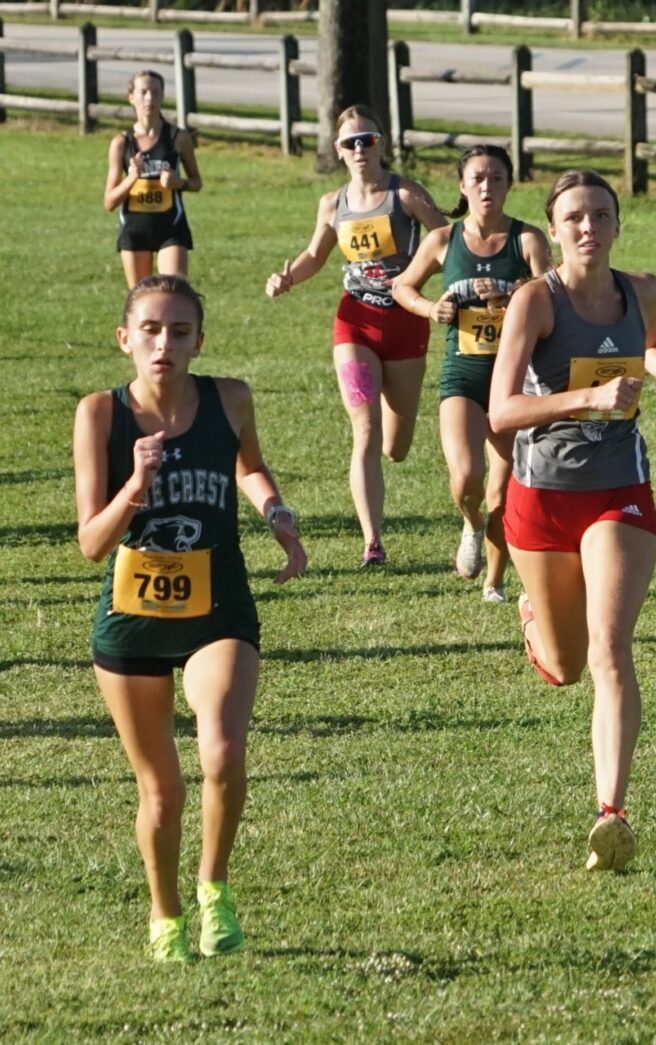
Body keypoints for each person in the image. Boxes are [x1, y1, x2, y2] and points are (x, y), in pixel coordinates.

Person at [73, 274, 306, 961]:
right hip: (132, 620)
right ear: (125, 340)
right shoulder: (100, 415)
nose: (164, 344)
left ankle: (214, 886)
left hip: (217, 607)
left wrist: (277, 512)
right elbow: (92, 542)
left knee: (224, 753)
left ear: (199, 340)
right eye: (150, 330)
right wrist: (135, 487)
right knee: (162, 789)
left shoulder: (229, 398)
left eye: (179, 331)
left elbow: (251, 468)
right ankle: (165, 910)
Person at [489, 169, 656, 871]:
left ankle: (610, 813)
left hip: (619, 488)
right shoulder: (535, 302)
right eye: (574, 217)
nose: (588, 227)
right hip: (541, 496)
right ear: (553, 230)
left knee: (610, 647)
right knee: (564, 663)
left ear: (617, 225)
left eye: (600, 215)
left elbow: (650, 340)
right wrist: (585, 400)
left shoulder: (639, 288)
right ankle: (534, 620)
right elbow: (501, 411)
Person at [265, 104, 446, 567]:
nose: (360, 149)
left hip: (406, 323)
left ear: (382, 144)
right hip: (355, 322)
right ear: (338, 150)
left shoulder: (404, 195)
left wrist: (450, 286)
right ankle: (373, 542)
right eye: (351, 142)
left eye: (368, 140)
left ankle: (393, 441)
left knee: (396, 444)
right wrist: (288, 279)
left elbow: (447, 239)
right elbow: (314, 255)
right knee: (365, 429)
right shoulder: (333, 203)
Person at [393, 145, 551, 603]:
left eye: (496, 178)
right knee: (466, 476)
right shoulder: (444, 241)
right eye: (478, 178)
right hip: (461, 374)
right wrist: (431, 307)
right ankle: (470, 523)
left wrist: (517, 294)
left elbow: (554, 296)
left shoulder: (528, 241)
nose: (487, 186)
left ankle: (495, 581)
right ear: (463, 186)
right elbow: (402, 286)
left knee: (502, 488)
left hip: (514, 380)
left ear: (508, 185)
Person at [104, 70, 202, 288]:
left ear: (162, 96)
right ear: (131, 98)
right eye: (143, 92)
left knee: (175, 292)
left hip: (171, 227)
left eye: (156, 92)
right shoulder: (122, 143)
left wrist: (180, 183)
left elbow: (197, 182)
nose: (149, 98)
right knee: (140, 302)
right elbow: (109, 201)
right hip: (135, 229)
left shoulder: (179, 138)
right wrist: (131, 178)